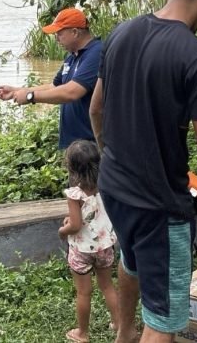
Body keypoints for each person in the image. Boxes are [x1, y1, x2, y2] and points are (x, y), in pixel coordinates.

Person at [89, 0, 197, 343]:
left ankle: (123, 334)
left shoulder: (120, 33)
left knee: (132, 261)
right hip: (160, 204)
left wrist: (112, 160)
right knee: (165, 321)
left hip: (115, 187)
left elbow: (97, 109)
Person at [0, 8, 101, 149]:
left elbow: (72, 92)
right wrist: (17, 91)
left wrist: (31, 96)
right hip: (74, 144)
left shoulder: (96, 53)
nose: (56, 38)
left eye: (59, 33)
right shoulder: (72, 56)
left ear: (75, 32)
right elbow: (55, 86)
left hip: (92, 144)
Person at [58, 140, 118, 342]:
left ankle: (82, 333)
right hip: (104, 246)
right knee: (108, 286)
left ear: (72, 168)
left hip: (82, 249)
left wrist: (63, 230)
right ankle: (119, 325)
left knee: (84, 293)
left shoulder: (75, 194)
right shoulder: (107, 185)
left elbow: (75, 225)